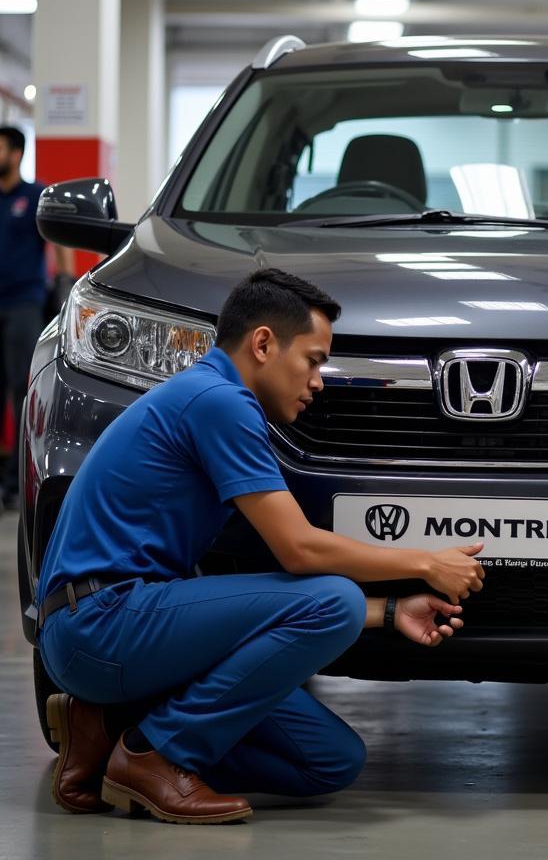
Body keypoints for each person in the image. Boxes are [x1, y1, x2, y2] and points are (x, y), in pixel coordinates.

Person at [35, 268, 485, 825]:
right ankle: (157, 757)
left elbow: (265, 600)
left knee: (330, 762)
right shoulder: (220, 400)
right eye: (314, 360)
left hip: (121, 624)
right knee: (335, 598)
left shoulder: (208, 397)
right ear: (264, 343)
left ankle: (108, 735)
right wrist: (424, 562)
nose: (319, 380)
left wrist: (391, 612)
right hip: (99, 624)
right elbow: (299, 551)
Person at [0, 125, 75, 509]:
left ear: (15, 154)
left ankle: (14, 483)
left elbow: (58, 242)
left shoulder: (33, 197)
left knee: (19, 391)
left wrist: (65, 284)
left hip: (23, 305)